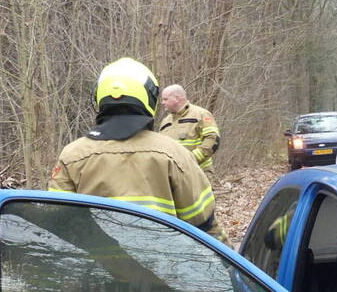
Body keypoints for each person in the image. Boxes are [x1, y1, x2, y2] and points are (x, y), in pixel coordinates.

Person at [49, 60, 227, 244]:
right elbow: (204, 224)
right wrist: (231, 268)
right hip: (161, 268)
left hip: (92, 269)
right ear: (151, 98)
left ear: (98, 98)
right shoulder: (174, 154)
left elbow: (58, 224)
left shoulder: (71, 155)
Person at [158, 84, 221, 184]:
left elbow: (213, 139)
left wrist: (191, 160)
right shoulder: (165, 122)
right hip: (173, 178)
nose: (162, 103)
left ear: (177, 98)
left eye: (165, 99)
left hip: (199, 175)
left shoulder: (201, 114)